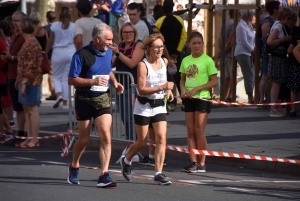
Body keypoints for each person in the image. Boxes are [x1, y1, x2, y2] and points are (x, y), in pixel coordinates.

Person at [67, 23, 124, 187]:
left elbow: (107, 70)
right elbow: (71, 79)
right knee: (84, 140)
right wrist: (92, 81)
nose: (111, 43)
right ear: (97, 39)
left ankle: (104, 174)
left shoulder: (108, 52)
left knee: (106, 135)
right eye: (108, 39)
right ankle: (74, 165)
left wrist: (115, 82)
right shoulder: (81, 55)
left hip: (102, 99)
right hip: (84, 99)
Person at [120, 33, 174, 185]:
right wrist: (163, 87)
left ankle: (158, 173)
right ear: (149, 48)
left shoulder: (164, 61)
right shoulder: (142, 65)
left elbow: (164, 80)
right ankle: (127, 160)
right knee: (142, 142)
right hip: (143, 106)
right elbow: (142, 89)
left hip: (159, 106)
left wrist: (168, 91)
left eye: (161, 46)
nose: (159, 49)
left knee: (161, 138)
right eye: (156, 47)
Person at [180, 31, 218, 173]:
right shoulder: (185, 60)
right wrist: (183, 89)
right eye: (194, 43)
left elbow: (214, 81)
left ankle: (202, 163)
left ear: (203, 44)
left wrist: (198, 88)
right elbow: (182, 78)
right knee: (190, 130)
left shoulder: (208, 60)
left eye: (199, 43)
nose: (197, 45)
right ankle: (193, 162)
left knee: (198, 130)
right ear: (189, 44)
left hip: (202, 97)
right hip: (189, 98)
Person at [109, 22, 144, 141]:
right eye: (125, 32)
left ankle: (134, 145)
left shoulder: (139, 45)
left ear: (134, 33)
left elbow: (132, 63)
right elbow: (113, 64)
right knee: (124, 119)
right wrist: (112, 54)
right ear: (121, 34)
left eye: (130, 32)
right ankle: (130, 143)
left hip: (132, 87)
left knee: (131, 119)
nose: (128, 34)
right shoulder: (120, 45)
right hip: (120, 87)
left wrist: (118, 53)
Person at [15, 18, 42, 148]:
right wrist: (19, 80)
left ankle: (34, 139)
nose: (17, 28)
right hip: (25, 79)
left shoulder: (32, 43)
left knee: (32, 109)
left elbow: (31, 65)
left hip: (32, 80)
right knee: (27, 109)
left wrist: (24, 82)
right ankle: (29, 137)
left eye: (19, 26)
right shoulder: (27, 42)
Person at [0, 11, 27, 146]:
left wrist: (11, 58)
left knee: (24, 107)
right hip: (12, 75)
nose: (15, 23)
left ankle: (22, 133)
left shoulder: (25, 37)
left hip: (20, 76)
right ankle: (19, 132)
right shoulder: (14, 36)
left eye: (18, 21)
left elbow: (27, 57)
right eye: (14, 21)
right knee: (18, 107)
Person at [156, 0, 187, 111]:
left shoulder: (159, 21)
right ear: (173, 8)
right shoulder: (179, 20)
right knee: (179, 78)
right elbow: (184, 37)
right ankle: (184, 101)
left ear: (163, 9)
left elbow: (157, 39)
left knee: (167, 79)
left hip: (163, 55)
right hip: (176, 55)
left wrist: (163, 52)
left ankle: (171, 102)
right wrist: (177, 52)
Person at [45, 6, 76, 110]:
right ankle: (65, 104)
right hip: (71, 52)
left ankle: (59, 95)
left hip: (58, 52)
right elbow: (76, 40)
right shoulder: (73, 26)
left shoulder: (54, 26)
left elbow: (50, 41)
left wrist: (46, 52)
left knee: (56, 76)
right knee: (66, 78)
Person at [266, 7, 293, 117]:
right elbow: (269, 41)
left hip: (279, 58)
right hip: (277, 58)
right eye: (287, 18)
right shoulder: (278, 26)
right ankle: (273, 108)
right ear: (283, 17)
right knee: (276, 83)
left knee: (277, 83)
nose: (289, 21)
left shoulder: (279, 25)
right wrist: (283, 39)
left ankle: (274, 107)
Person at [258, 1, 280, 105]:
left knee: (270, 76)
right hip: (267, 53)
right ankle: (261, 99)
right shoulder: (267, 21)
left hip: (273, 53)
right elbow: (265, 39)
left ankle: (267, 98)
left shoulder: (276, 21)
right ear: (275, 10)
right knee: (265, 75)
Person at [218, 10, 241, 102]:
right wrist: (224, 50)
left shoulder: (223, 23)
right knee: (234, 76)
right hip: (231, 53)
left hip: (225, 54)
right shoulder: (235, 24)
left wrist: (220, 50)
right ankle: (231, 96)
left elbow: (219, 38)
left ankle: (224, 96)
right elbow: (231, 40)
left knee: (227, 76)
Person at [234, 9, 255, 104]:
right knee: (248, 74)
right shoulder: (240, 26)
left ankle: (251, 95)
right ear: (248, 15)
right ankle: (250, 96)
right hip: (243, 52)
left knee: (250, 74)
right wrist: (253, 50)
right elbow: (244, 42)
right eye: (252, 15)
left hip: (248, 52)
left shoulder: (249, 25)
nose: (254, 16)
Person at [286, 14, 300, 117]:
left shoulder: (297, 31)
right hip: (295, 63)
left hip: (294, 63)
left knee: (294, 88)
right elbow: (291, 50)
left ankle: (293, 109)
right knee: (294, 87)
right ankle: (294, 109)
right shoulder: (297, 32)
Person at [44, 11, 56, 101]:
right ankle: (60, 92)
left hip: (50, 52)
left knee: (51, 73)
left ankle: (53, 93)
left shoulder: (45, 28)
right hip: (59, 52)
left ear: (47, 18)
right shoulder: (59, 27)